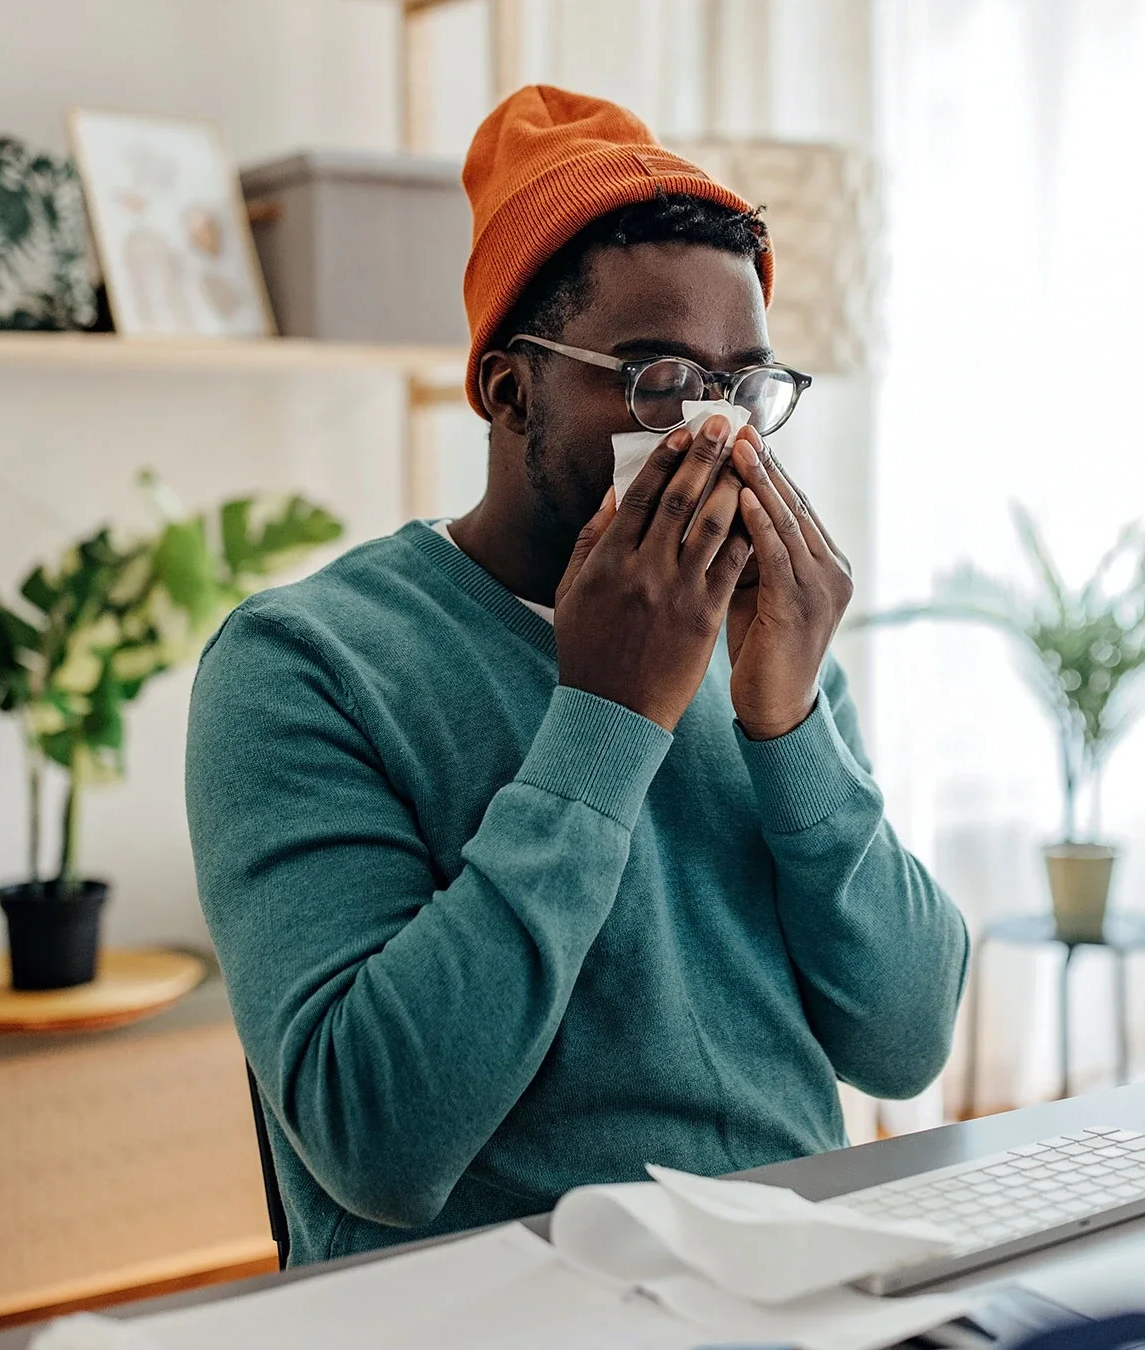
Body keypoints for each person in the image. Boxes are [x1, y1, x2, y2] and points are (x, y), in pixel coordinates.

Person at [186, 86, 969, 1264]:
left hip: (796, 1282)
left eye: (747, 386)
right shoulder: (304, 665)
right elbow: (377, 1143)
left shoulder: (762, 638)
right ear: (508, 390)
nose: (716, 435)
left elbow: (904, 1042)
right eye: (658, 381)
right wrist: (606, 718)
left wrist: (791, 721)